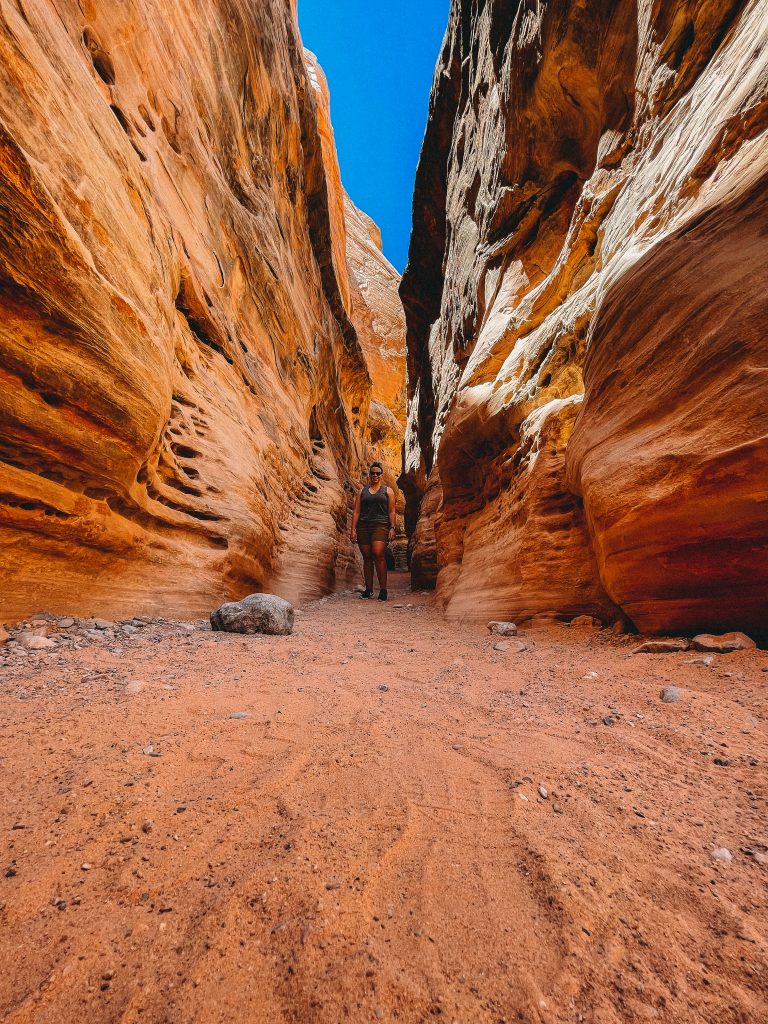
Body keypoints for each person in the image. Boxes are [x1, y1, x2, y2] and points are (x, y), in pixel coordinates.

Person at [351, 461, 396, 601]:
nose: (375, 475)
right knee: (367, 558)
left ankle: (383, 590)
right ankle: (369, 590)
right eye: (372, 473)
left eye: (378, 473)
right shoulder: (362, 491)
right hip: (363, 526)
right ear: (369, 475)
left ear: (381, 475)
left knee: (378, 554)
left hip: (381, 525)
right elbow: (357, 511)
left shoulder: (388, 491)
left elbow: (392, 511)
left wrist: (392, 527)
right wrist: (353, 529)